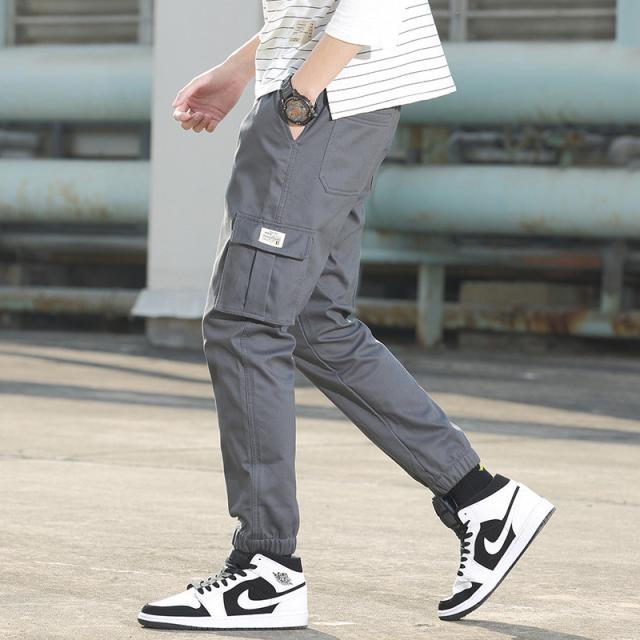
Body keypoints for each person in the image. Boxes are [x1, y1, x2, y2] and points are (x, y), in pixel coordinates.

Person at [137, 0, 554, 631]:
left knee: (246, 324)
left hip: (322, 103)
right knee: (314, 321)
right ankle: (481, 500)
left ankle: (265, 568)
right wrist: (242, 67)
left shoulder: (308, 100)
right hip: (336, 101)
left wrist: (300, 96)